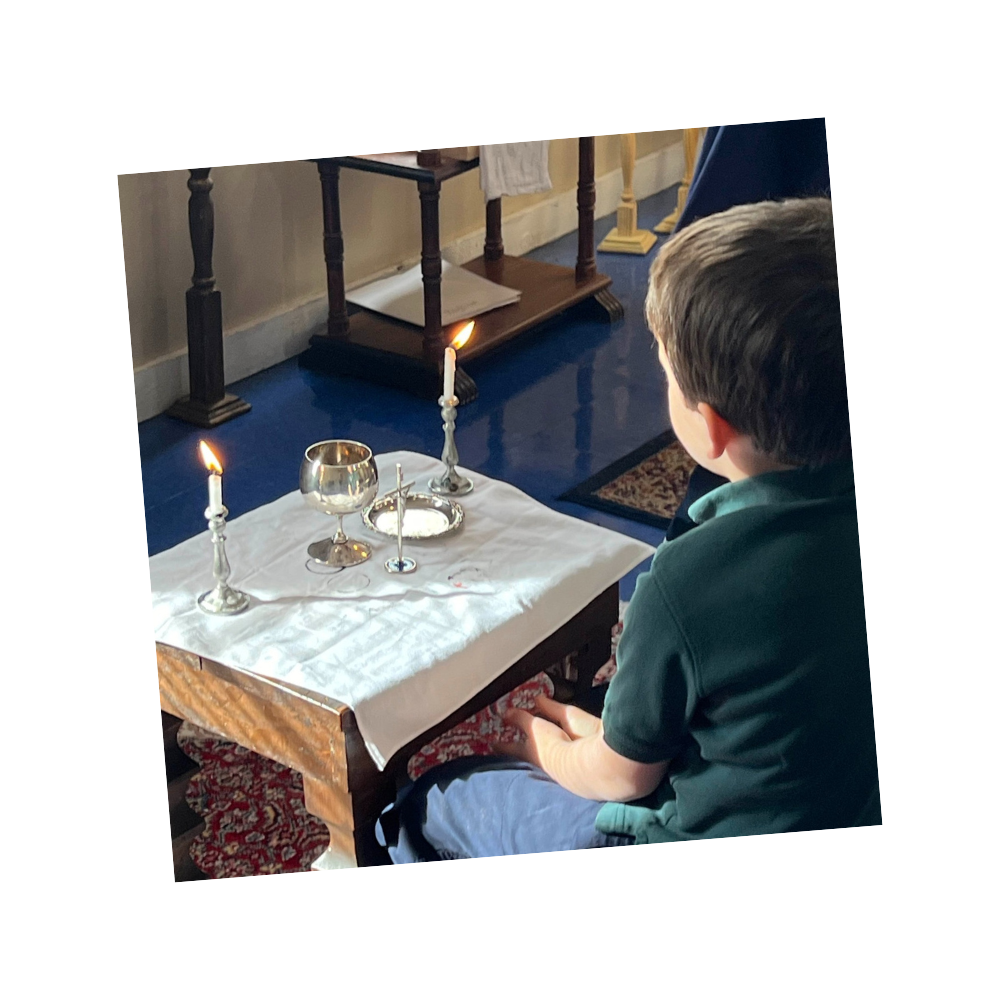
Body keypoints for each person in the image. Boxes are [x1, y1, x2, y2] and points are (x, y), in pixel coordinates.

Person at [375, 197, 876, 859]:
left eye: (665, 372)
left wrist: (547, 745)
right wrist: (601, 731)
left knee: (432, 798)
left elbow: (622, 776)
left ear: (712, 425)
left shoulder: (689, 579)